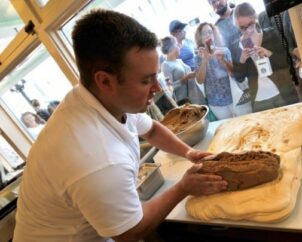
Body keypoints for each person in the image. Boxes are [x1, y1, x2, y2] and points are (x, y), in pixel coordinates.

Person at [13, 9, 227, 242]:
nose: (157, 88)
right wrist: (183, 187)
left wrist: (189, 152)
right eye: (146, 80)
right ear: (104, 80)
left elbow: (152, 130)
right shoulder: (96, 158)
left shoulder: (102, 98)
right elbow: (131, 232)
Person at [234, 2, 287, 112]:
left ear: (255, 17)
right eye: (242, 28)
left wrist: (268, 53)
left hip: (281, 91)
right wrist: (242, 59)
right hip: (259, 98)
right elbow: (239, 78)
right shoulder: (237, 45)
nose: (248, 30)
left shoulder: (271, 34)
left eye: (250, 24)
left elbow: (286, 62)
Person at [194, 22, 236, 120]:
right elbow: (200, 80)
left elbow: (234, 73)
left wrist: (223, 60)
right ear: (200, 37)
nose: (208, 34)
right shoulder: (198, 57)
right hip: (216, 102)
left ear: (214, 34)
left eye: (210, 32)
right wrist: (204, 59)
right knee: (227, 127)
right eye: (204, 33)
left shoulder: (224, 51)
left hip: (234, 97)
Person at [160, 36, 206, 106]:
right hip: (184, 101)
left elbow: (189, 74)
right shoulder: (165, 65)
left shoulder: (179, 61)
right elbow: (169, 88)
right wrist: (185, 78)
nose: (179, 46)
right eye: (177, 44)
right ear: (171, 48)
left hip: (194, 95)